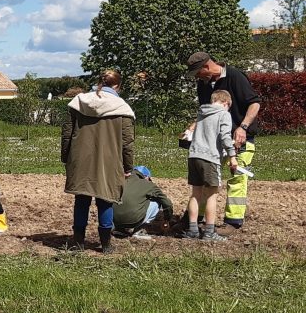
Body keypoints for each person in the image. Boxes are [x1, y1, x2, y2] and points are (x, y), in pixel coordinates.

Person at [187, 51, 262, 231]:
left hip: (240, 138)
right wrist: (194, 126)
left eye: (198, 73)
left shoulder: (235, 76)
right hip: (213, 141)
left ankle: (233, 221)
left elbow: (254, 103)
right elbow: (205, 112)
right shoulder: (203, 84)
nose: (197, 77)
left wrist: (243, 127)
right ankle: (196, 220)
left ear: (207, 66)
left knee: (237, 178)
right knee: (206, 178)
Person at [61, 70, 135, 254]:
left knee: (81, 199)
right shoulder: (122, 108)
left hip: (80, 158)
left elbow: (67, 133)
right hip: (110, 161)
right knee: (106, 200)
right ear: (117, 86)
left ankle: (78, 242)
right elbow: (127, 142)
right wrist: (128, 166)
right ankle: (106, 244)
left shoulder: (79, 102)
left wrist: (66, 157)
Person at [183, 90, 240, 241]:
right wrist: (232, 156)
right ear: (225, 103)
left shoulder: (202, 112)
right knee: (211, 195)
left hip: (194, 156)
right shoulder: (224, 114)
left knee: (195, 194)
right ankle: (209, 232)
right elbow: (225, 137)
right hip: (210, 158)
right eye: (228, 106)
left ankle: (192, 230)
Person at [112, 166, 173, 240]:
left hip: (113, 219)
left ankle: (119, 229)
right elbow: (167, 203)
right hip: (133, 220)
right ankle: (137, 231)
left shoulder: (120, 180)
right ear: (146, 177)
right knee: (157, 202)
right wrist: (167, 219)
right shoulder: (148, 184)